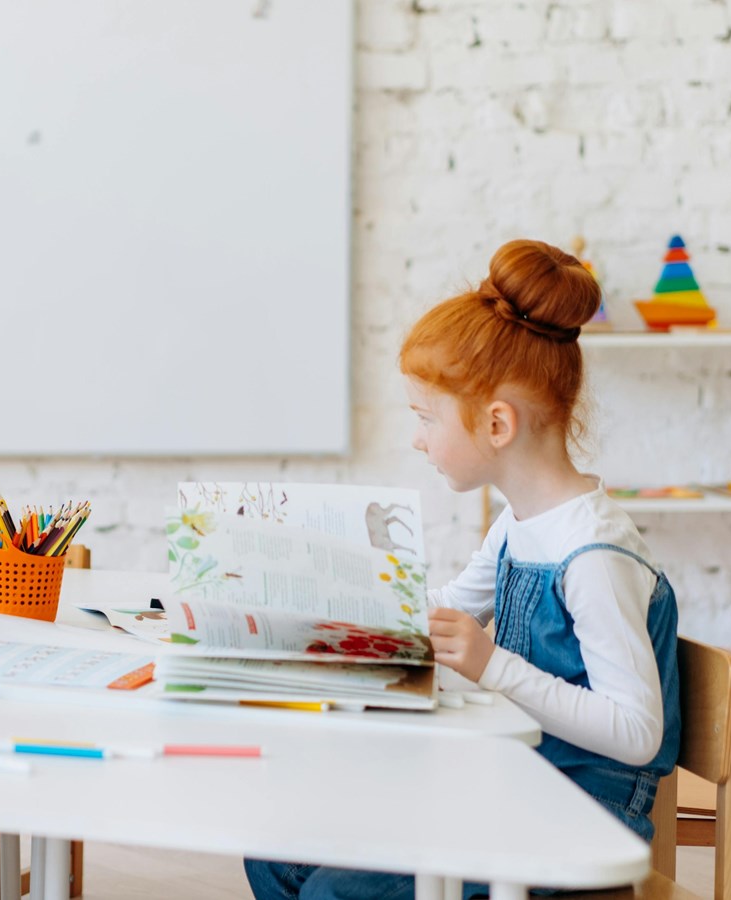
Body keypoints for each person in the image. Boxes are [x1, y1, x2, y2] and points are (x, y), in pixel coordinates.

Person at [245, 239, 681, 900]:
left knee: (334, 891)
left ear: (498, 423)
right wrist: (327, 611)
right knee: (273, 857)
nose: (417, 438)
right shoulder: (519, 520)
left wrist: (490, 665)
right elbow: (449, 606)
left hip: (576, 814)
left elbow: (636, 732)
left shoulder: (593, 555)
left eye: (425, 418)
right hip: (514, 782)